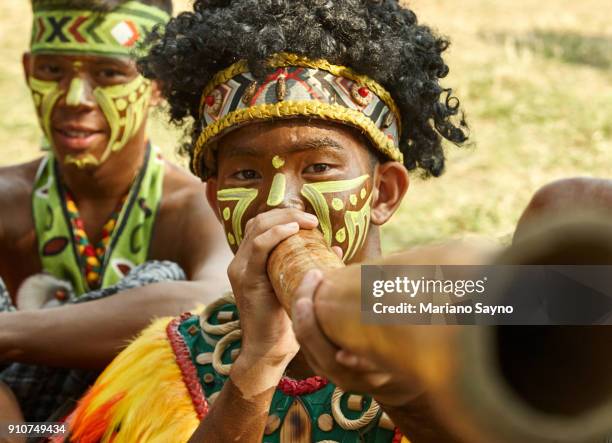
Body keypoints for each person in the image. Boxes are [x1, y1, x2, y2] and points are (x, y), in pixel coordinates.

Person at [64, 0, 469, 441]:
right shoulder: (171, 362)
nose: (278, 202)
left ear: (383, 193)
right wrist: (259, 363)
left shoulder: (456, 307)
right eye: (247, 174)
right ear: (217, 200)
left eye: (318, 167)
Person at [0, 0, 231, 430]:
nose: (75, 99)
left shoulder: (198, 205)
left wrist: (8, 335)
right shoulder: (5, 200)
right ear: (29, 68)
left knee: (161, 279)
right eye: (52, 70)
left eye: (108, 74)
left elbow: (215, 304)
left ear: (157, 81)